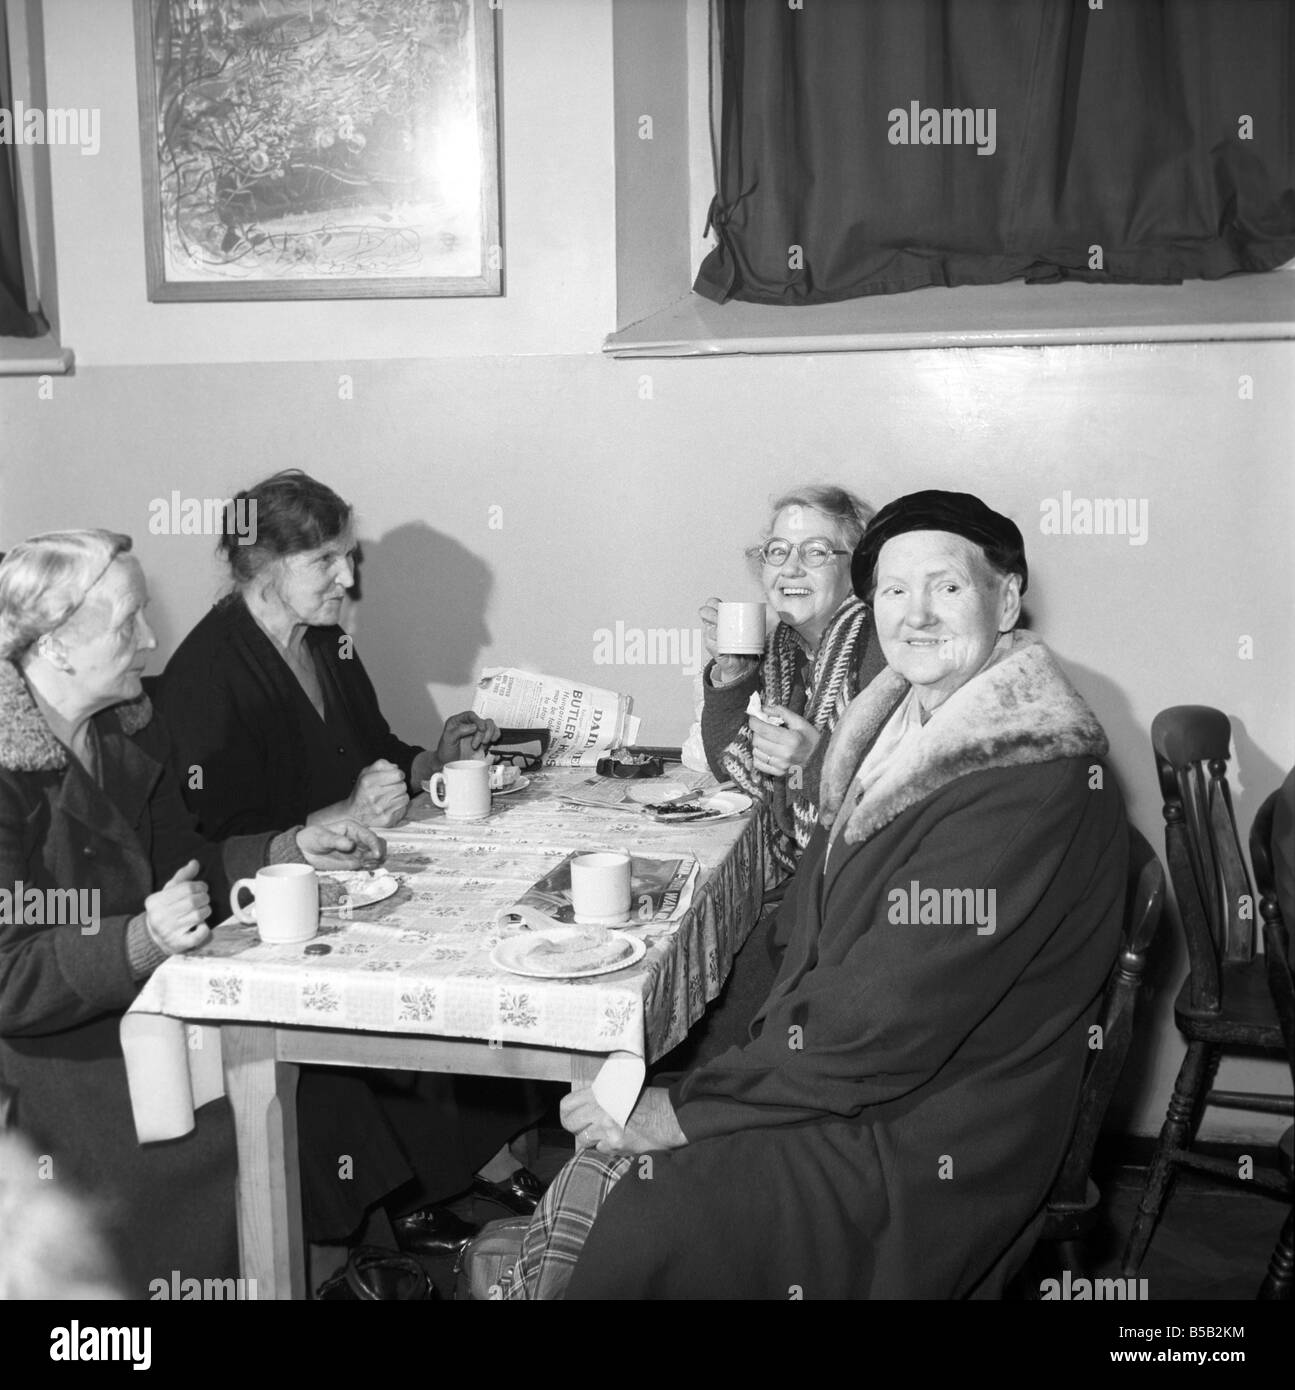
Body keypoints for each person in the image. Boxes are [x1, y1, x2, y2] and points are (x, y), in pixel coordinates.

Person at [500, 490, 1129, 1299]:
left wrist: (682, 1111)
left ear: (1005, 598)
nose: (918, 615)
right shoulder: (904, 723)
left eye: (947, 587)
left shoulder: (1022, 781)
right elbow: (803, 937)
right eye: (896, 592)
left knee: (639, 1208)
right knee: (606, 1166)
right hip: (869, 1071)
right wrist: (701, 1071)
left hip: (938, 1125)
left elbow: (886, 1019)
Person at [156, 471, 547, 1261]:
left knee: (487, 933)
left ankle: (450, 1172)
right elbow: (197, 841)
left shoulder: (325, 642)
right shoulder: (207, 674)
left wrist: (425, 761)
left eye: (347, 557)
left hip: (355, 879)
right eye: (325, 562)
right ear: (260, 566)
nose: (347, 578)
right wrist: (319, 825)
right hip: (266, 907)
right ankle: (404, 1201)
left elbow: (372, 748)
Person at [0, 531, 384, 1296]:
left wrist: (292, 844)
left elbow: (195, 867)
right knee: (236, 1127)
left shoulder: (125, 729)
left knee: (303, 1070)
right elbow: (9, 976)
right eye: (128, 623)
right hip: (49, 1047)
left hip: (144, 1002)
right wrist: (137, 941)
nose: (150, 640)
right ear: (57, 646)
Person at [699, 485, 886, 882]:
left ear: (856, 569)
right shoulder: (787, 651)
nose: (791, 568)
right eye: (778, 551)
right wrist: (732, 674)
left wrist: (813, 761)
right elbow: (733, 770)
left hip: (864, 888)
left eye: (816, 551)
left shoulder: (882, 654)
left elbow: (897, 815)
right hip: (808, 878)